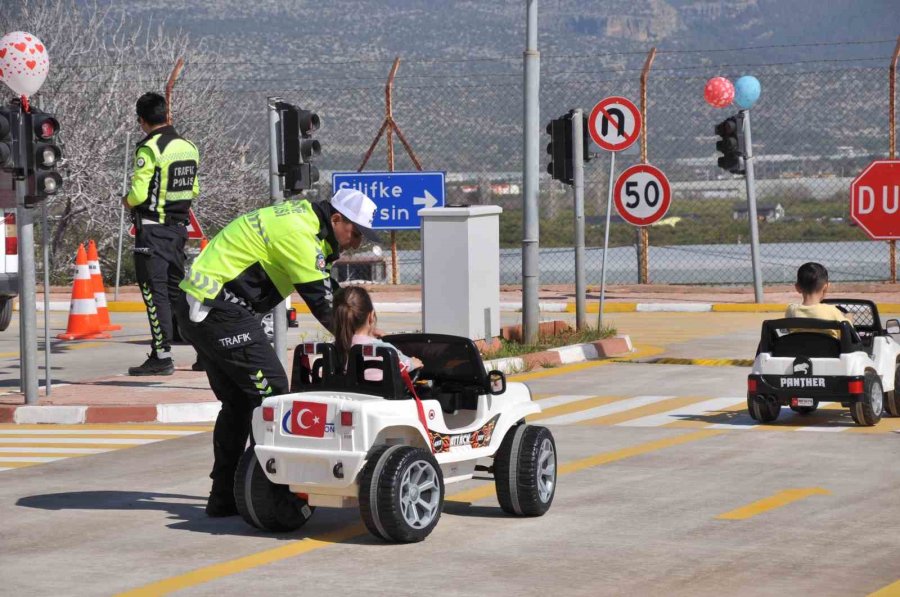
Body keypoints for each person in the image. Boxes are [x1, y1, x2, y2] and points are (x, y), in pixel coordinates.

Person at [175, 188, 381, 517]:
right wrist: (364, 345)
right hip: (218, 311)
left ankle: (225, 494)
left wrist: (366, 326)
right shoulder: (299, 234)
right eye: (355, 232)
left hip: (201, 309)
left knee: (241, 402)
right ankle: (269, 494)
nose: (356, 242)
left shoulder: (304, 220)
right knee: (274, 395)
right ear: (337, 218)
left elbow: (328, 288)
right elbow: (326, 308)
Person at [124, 92, 200, 376]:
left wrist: (127, 200)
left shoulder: (149, 149)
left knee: (155, 295)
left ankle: (161, 356)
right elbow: (194, 190)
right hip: (179, 230)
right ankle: (205, 352)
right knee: (179, 295)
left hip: (152, 231)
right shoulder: (188, 146)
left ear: (141, 120)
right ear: (166, 115)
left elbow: (139, 194)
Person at [333, 285, 422, 380]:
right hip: (379, 393)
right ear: (371, 317)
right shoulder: (385, 350)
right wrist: (413, 363)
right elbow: (404, 365)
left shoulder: (333, 350)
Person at [785, 262, 850, 339]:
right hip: (829, 350)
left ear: (797, 287)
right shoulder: (832, 311)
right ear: (826, 287)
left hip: (800, 350)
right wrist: (848, 318)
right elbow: (849, 333)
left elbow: (788, 330)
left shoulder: (791, 310)